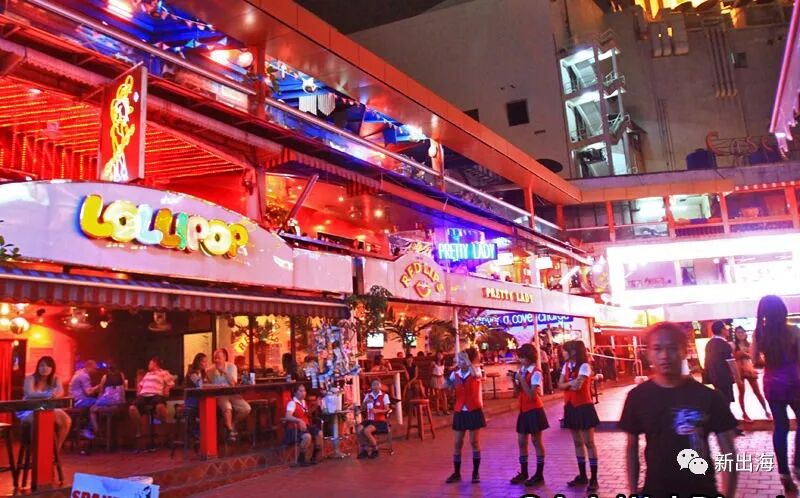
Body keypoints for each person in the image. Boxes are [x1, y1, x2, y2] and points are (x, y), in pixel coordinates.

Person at [620, 322, 738, 497]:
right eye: (657, 349)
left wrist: (728, 494)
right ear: (648, 353)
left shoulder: (709, 397)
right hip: (656, 491)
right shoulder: (637, 397)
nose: (665, 356)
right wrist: (632, 491)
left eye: (673, 348)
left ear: (684, 351)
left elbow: (728, 451)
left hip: (702, 490)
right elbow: (631, 449)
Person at [753, 295, 800, 492]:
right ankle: (798, 463)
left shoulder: (759, 334)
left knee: (780, 427)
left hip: (772, 385)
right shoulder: (793, 331)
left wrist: (770, 361)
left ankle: (783, 473)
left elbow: (755, 361)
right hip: (795, 383)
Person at [558, 340, 600, 491]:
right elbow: (560, 385)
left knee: (589, 442)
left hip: (584, 407)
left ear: (573, 352)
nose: (563, 353)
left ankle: (594, 478)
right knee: (577, 442)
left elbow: (578, 386)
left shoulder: (584, 366)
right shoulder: (566, 366)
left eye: (565, 350)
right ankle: (582, 475)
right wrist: (571, 383)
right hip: (570, 407)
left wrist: (568, 384)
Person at [509, 344, 549, 487]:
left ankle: (539, 474)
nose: (520, 360)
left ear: (530, 357)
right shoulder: (522, 371)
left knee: (536, 441)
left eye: (523, 357)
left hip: (534, 409)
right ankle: (524, 472)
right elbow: (517, 392)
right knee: (521, 441)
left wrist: (521, 379)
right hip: (523, 409)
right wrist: (514, 381)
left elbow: (532, 394)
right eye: (520, 357)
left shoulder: (536, 372)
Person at [445, 351, 485, 484]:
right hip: (460, 410)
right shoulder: (455, 374)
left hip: (473, 409)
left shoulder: (475, 370)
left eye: (462, 360)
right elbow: (448, 386)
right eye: (459, 360)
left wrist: (468, 361)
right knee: (457, 443)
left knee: (474, 442)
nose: (460, 363)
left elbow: (475, 375)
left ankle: (475, 472)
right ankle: (456, 473)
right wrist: (447, 382)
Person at [17, 356, 71, 451]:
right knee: (39, 419)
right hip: (29, 409)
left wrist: (55, 394)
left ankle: (55, 450)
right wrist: (49, 394)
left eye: (48, 366)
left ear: (52, 368)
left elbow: (60, 392)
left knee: (66, 420)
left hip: (47, 408)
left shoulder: (55, 379)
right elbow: (30, 394)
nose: (45, 368)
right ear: (38, 367)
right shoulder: (30, 378)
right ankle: (35, 451)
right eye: (42, 365)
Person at [704, 321, 742, 435]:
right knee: (725, 402)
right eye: (725, 328)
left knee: (723, 401)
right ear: (721, 330)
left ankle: (731, 426)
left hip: (715, 378)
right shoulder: (724, 344)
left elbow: (707, 362)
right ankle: (727, 426)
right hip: (724, 378)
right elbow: (731, 363)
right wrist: (738, 379)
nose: (727, 330)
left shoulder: (710, 343)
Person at [129, 356, 174, 450]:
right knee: (132, 408)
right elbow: (140, 386)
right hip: (144, 395)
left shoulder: (164, 372)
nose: (148, 365)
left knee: (160, 407)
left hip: (156, 395)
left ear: (154, 363)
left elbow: (171, 383)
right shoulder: (147, 374)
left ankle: (166, 432)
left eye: (150, 363)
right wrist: (138, 382)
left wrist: (166, 389)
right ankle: (140, 430)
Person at [208, 348, 251, 441]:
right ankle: (231, 431)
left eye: (218, 358)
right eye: (215, 358)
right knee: (227, 408)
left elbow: (233, 383)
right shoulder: (210, 370)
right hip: (220, 395)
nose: (216, 360)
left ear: (224, 357)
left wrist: (224, 371)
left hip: (232, 393)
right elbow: (207, 385)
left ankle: (232, 425)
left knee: (246, 408)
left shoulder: (232, 367)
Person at [733, 326, 770, 421]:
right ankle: (744, 414)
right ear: (735, 334)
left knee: (757, 392)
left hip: (749, 369)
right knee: (741, 393)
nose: (740, 334)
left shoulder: (749, 344)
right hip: (739, 370)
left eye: (742, 332)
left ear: (745, 333)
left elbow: (755, 357)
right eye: (738, 332)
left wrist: (746, 354)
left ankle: (766, 411)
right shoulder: (733, 345)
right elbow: (733, 357)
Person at [284, 384, 322, 466]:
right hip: (294, 429)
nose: (303, 393)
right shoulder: (292, 403)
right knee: (307, 437)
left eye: (304, 391)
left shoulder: (304, 402)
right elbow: (288, 416)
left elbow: (307, 414)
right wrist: (299, 420)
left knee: (319, 433)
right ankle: (301, 458)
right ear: (295, 392)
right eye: (300, 391)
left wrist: (316, 405)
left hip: (306, 426)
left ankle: (314, 457)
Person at [88, 362, 126, 437]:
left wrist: (98, 401)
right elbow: (123, 389)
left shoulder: (105, 377)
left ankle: (97, 432)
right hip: (119, 404)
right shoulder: (121, 375)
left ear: (108, 370)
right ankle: (113, 436)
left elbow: (101, 392)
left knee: (92, 409)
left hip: (108, 403)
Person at [356, 379, 391, 459]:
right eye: (373, 385)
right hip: (369, 419)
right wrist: (365, 402)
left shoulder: (384, 396)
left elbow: (387, 409)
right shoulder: (368, 395)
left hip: (380, 420)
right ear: (371, 386)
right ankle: (364, 450)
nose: (375, 386)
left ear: (380, 386)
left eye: (377, 384)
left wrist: (378, 411)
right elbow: (362, 408)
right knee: (358, 429)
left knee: (366, 430)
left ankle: (375, 449)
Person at [430, 351, 449, 416]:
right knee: (437, 395)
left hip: (442, 378)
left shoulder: (443, 362)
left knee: (444, 395)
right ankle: (437, 410)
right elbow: (430, 370)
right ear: (436, 355)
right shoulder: (433, 362)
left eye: (441, 354)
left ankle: (445, 409)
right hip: (435, 378)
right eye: (438, 354)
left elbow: (442, 370)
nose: (440, 356)